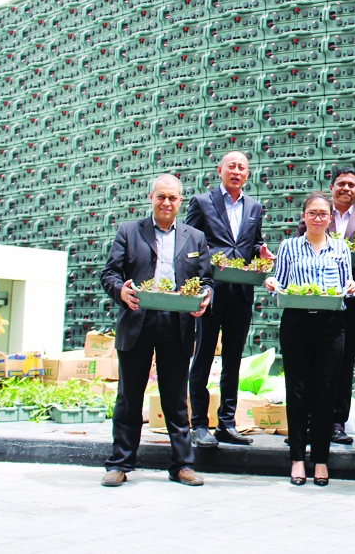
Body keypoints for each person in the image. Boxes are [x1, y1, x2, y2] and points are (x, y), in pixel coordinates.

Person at [99, 174, 214, 487]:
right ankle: (120, 463)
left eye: (173, 198)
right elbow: (110, 273)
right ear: (151, 197)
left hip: (177, 324)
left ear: (180, 201)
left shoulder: (195, 237)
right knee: (129, 397)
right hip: (137, 319)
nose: (167, 203)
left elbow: (205, 281)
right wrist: (120, 292)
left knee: (176, 399)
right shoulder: (129, 231)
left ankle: (182, 465)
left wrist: (205, 297)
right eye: (161, 197)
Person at [264, 192, 355, 486]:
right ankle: (296, 460)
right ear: (303, 217)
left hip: (331, 325)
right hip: (297, 323)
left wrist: (352, 287)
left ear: (331, 219)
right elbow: (280, 281)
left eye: (323, 214)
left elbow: (346, 284)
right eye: (313, 213)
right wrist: (271, 283)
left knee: (325, 393)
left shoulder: (340, 247)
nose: (318, 219)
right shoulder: (289, 246)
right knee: (298, 392)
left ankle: (320, 460)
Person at [185, 151, 273, 448]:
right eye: (231, 166)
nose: (236, 171)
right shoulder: (202, 202)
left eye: (242, 168)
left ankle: (227, 423)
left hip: (241, 293)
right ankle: (198, 424)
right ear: (220, 170)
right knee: (203, 356)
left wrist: (261, 250)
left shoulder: (254, 206)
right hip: (210, 292)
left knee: (233, 359)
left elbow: (253, 241)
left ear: (248, 174)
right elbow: (187, 241)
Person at [296, 165, 355, 445]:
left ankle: (336, 422)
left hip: (350, 299)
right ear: (332, 187)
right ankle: (307, 422)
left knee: (344, 363)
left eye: (352, 185)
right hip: (314, 299)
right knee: (310, 360)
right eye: (341, 184)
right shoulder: (319, 214)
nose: (346, 189)